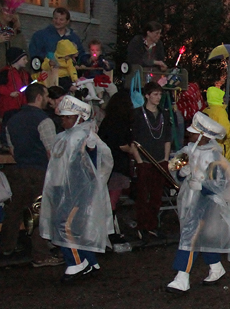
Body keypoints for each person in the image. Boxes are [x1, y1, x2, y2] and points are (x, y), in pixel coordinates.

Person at [165, 112, 230, 293]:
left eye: (193, 133)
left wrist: (201, 185)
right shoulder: (188, 151)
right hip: (191, 200)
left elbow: (219, 185)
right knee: (204, 237)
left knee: (190, 236)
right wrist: (181, 172)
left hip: (208, 204)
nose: (189, 135)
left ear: (203, 136)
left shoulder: (215, 157)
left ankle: (182, 277)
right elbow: (175, 170)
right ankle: (216, 267)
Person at [39, 96, 113, 282]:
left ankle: (77, 261)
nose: (63, 120)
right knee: (75, 226)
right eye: (62, 117)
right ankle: (90, 260)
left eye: (68, 117)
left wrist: (91, 150)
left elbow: (102, 160)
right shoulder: (62, 137)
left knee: (67, 226)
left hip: (78, 192)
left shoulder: (86, 137)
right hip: (62, 190)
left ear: (79, 118)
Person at [0, 83, 62, 266]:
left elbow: (12, 149)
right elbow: (51, 152)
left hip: (18, 171)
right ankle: (41, 255)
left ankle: (6, 247)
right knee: (37, 212)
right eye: (46, 95)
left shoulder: (12, 120)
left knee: (15, 210)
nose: (47, 99)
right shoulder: (44, 120)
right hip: (40, 171)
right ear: (39, 97)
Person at [131, 81, 172, 239]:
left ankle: (152, 224)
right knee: (143, 195)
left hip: (160, 159)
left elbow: (167, 138)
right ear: (147, 96)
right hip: (144, 160)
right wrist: (139, 161)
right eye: (155, 94)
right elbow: (133, 139)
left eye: (160, 94)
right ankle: (142, 225)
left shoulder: (164, 114)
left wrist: (166, 158)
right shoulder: (138, 114)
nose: (158, 98)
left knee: (156, 195)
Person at [97, 93, 135, 222]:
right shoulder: (122, 122)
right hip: (118, 164)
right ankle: (109, 228)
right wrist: (133, 151)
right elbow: (122, 145)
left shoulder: (107, 120)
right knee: (112, 199)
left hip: (105, 163)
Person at [203, 87, 230, 164]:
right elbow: (227, 133)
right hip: (222, 150)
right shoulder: (220, 112)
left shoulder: (206, 110)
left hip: (211, 147)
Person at [0, 47, 31, 120]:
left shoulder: (25, 73)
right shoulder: (5, 73)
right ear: (16, 60)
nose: (26, 61)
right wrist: (9, 93)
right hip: (8, 108)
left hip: (23, 107)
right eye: (24, 59)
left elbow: (30, 84)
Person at [0, 0, 27, 70]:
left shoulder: (17, 33)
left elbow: (25, 55)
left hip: (13, 76)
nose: (10, 14)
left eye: (12, 11)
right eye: (7, 10)